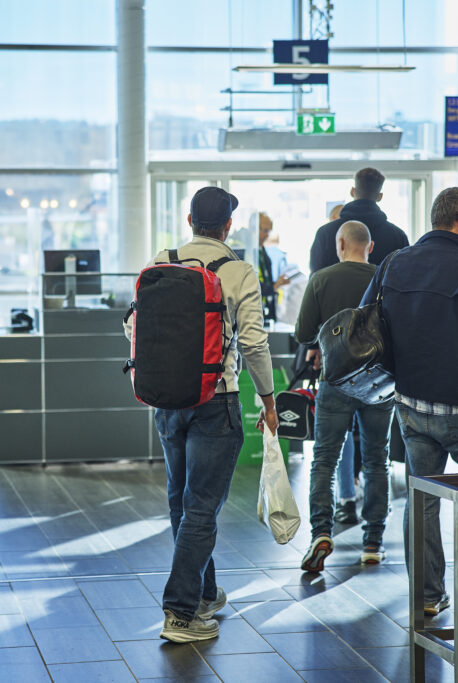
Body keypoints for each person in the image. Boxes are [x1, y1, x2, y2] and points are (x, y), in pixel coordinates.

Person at [124, 186, 279, 643]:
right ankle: (181, 612)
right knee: (202, 508)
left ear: (190, 221)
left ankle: (205, 592)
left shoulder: (162, 259)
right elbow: (253, 342)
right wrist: (268, 400)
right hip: (218, 400)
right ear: (228, 227)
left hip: (168, 400)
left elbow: (134, 325)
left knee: (181, 501)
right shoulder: (239, 270)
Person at [361, 187, 458, 616]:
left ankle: (428, 596)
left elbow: (369, 330)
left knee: (422, 497)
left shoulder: (394, 263)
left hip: (413, 406)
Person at [295, 221, 394, 572]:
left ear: (340, 243)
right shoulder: (384, 278)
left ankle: (321, 532)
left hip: (335, 381)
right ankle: (373, 541)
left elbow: (303, 332)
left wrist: (328, 337)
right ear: (370, 246)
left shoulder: (321, 279)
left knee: (324, 460)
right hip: (378, 385)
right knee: (376, 460)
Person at [310, 168, 409, 272]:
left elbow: (315, 280)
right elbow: (404, 278)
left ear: (352, 191)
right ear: (380, 197)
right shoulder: (398, 236)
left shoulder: (325, 233)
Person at [257, 212, 290, 322]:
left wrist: (276, 285)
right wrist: (273, 287)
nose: (267, 235)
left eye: (269, 231)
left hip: (265, 312)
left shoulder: (262, 251)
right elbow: (250, 284)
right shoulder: (248, 252)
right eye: (265, 230)